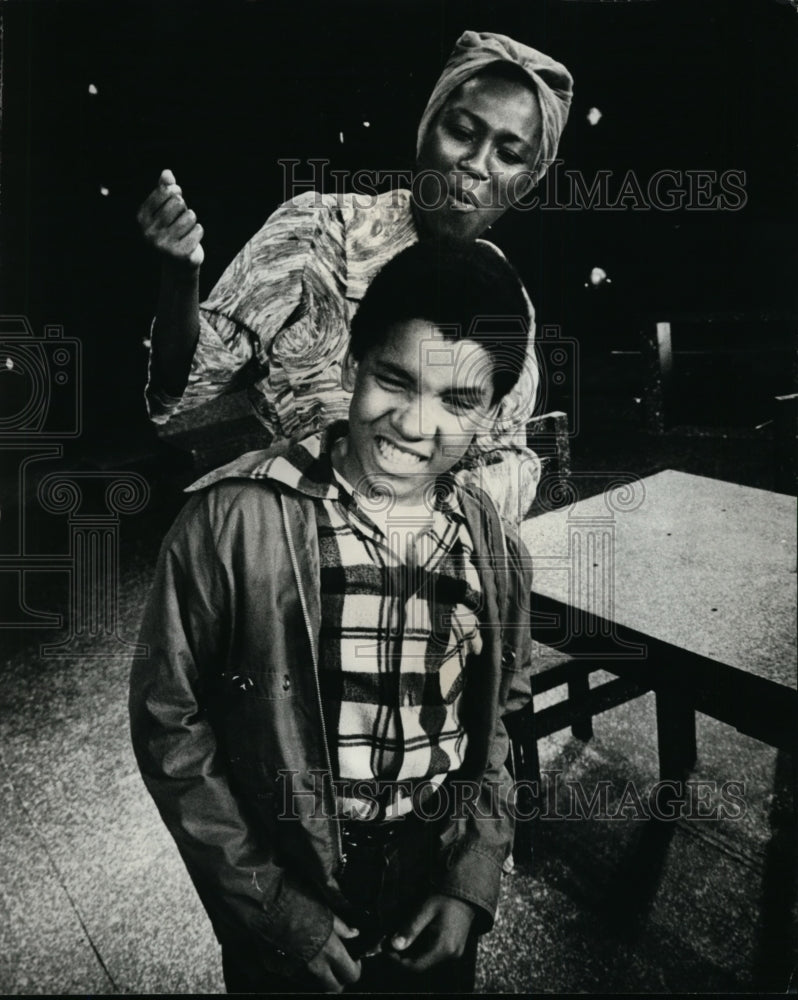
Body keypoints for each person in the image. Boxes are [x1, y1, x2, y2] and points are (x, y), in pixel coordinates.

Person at [129, 241, 535, 993]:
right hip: (284, 865)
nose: (417, 425)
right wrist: (271, 907)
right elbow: (169, 724)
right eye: (394, 380)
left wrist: (471, 878)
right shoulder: (229, 521)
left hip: (432, 864)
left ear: (490, 414)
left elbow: (501, 713)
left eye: (457, 401)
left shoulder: (492, 541)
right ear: (351, 366)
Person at [137, 30, 573, 524]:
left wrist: (431, 532)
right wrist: (180, 278)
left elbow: (503, 454)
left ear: (529, 180)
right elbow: (186, 381)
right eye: (463, 132)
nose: (475, 165)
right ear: (426, 130)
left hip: (430, 551)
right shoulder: (318, 231)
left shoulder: (503, 294)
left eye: (509, 155)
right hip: (295, 534)